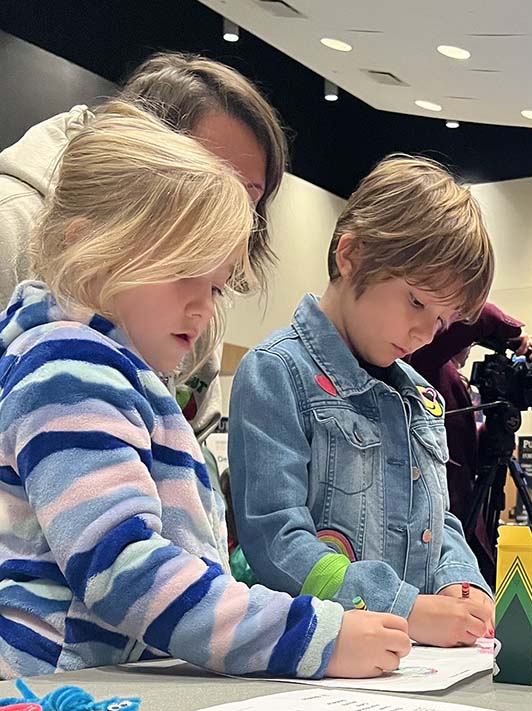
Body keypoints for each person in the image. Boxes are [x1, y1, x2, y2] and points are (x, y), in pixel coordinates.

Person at [0, 103, 410, 679]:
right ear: (87, 245)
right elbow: (125, 570)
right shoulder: (73, 369)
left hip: (97, 679)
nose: (202, 306)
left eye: (215, 286)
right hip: (61, 687)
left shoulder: (109, 367)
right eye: (180, 272)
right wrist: (311, 637)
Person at [229, 154, 496, 648]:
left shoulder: (421, 396)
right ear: (351, 256)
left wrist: (461, 579)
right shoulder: (277, 371)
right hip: (317, 658)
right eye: (416, 301)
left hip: (415, 663)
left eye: (441, 321)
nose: (424, 332)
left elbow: (436, 521)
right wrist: (405, 609)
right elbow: (275, 543)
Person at [0, 52, 287, 442]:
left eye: (247, 194)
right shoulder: (12, 223)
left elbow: (194, 425)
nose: (228, 205)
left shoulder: (198, 300)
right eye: (210, 174)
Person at [408, 302, 532, 581]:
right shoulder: (425, 362)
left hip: (460, 500)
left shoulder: (447, 374)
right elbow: (484, 316)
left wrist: (494, 431)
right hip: (445, 507)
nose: (470, 347)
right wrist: (516, 337)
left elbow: (461, 447)